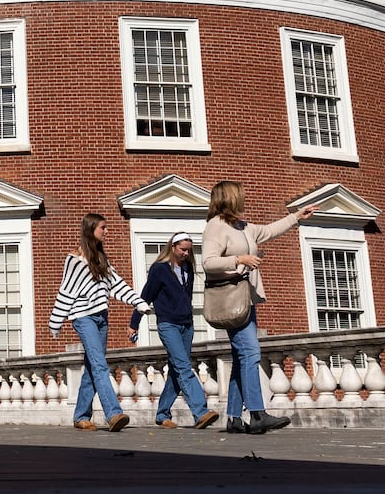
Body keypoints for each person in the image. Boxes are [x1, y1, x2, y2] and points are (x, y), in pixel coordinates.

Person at [200, 181, 317, 435]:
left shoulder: (242, 226)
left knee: (242, 357)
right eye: (240, 196)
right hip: (231, 299)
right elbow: (208, 262)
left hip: (245, 299)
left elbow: (269, 231)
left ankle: (233, 418)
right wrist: (239, 259)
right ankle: (257, 414)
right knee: (251, 353)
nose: (244, 199)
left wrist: (296, 216)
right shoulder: (215, 227)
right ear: (229, 199)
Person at [49, 212, 150, 432]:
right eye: (103, 228)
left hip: (102, 317)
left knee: (91, 368)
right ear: (90, 229)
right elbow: (65, 291)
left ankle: (80, 416)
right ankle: (113, 413)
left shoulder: (102, 259)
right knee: (100, 365)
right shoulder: (74, 260)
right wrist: (55, 322)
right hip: (83, 317)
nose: (107, 231)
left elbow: (117, 285)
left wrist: (139, 303)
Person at [128, 232, 218, 430]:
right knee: (184, 367)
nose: (186, 253)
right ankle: (201, 412)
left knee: (177, 370)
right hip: (168, 324)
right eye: (182, 249)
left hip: (187, 325)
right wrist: (134, 323)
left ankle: (162, 414)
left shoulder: (188, 269)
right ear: (173, 247)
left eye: (188, 250)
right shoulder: (160, 270)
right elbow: (145, 296)